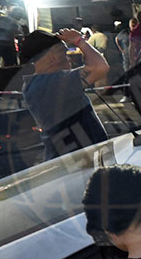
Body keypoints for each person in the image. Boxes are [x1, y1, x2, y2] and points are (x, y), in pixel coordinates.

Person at [19, 28, 109, 160]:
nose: (69, 59)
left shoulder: (38, 83)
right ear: (53, 56)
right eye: (64, 52)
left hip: (73, 160)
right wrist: (79, 41)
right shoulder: (51, 83)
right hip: (75, 162)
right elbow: (100, 67)